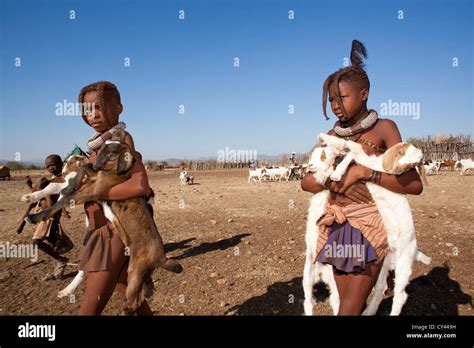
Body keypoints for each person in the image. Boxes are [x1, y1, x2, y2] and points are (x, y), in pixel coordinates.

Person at [301, 40, 423, 315]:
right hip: (337, 228)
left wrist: (364, 173)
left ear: (364, 93)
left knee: (349, 310)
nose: (335, 105)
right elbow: (306, 182)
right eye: (331, 99)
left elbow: (414, 185)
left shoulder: (383, 129)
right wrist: (334, 182)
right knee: (347, 307)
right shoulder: (331, 137)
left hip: (372, 227)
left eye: (342, 98)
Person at [76, 81, 153, 315]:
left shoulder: (119, 140)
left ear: (118, 108)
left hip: (114, 233)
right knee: (131, 297)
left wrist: (94, 192)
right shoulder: (96, 146)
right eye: (88, 110)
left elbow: (140, 184)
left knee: (87, 311)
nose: (93, 115)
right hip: (102, 230)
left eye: (99, 107)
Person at [24, 154, 70, 281]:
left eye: (53, 164)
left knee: (36, 242)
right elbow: (37, 195)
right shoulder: (52, 179)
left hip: (50, 216)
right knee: (51, 243)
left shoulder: (62, 180)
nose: (50, 167)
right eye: (48, 166)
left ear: (61, 164)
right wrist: (30, 186)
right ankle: (58, 269)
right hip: (43, 215)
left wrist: (43, 185)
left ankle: (61, 261)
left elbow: (50, 196)